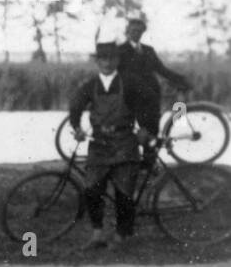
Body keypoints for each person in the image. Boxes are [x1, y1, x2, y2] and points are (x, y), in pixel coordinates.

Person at [69, 42, 147, 249]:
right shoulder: (89, 85)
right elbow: (75, 107)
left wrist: (145, 128)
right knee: (92, 190)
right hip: (99, 144)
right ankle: (97, 235)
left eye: (111, 58)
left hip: (125, 142)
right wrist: (76, 126)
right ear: (97, 61)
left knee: (124, 193)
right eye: (102, 58)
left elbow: (146, 106)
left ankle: (122, 236)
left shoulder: (130, 82)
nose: (107, 62)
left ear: (117, 61)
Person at [118, 15, 191, 143]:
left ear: (143, 32)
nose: (136, 33)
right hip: (130, 97)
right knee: (127, 131)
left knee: (152, 131)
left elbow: (161, 69)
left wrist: (180, 79)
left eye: (139, 31)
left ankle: (149, 160)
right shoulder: (119, 51)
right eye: (133, 30)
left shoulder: (148, 50)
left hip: (151, 96)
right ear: (127, 31)